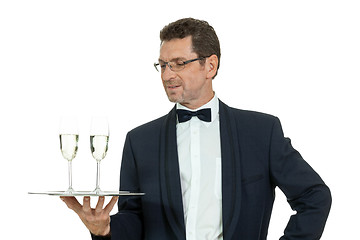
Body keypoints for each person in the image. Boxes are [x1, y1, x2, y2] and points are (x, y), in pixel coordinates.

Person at [61, 18, 331, 240]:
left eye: (179, 63)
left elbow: (314, 196)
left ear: (210, 66)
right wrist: (104, 229)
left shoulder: (261, 132)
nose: (167, 75)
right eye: (163, 65)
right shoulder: (139, 141)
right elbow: (134, 219)